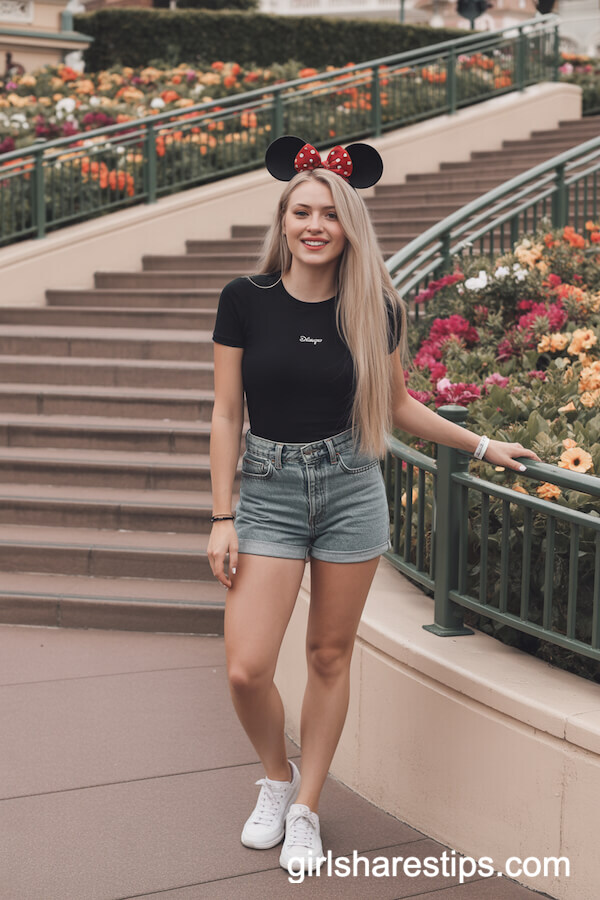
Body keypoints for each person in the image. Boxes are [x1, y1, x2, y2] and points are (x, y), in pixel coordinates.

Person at [208, 135, 541, 874]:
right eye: (302, 211)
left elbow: (396, 407)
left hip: (350, 488)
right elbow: (227, 414)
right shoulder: (244, 300)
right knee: (246, 668)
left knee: (329, 655)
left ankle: (306, 808)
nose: (315, 224)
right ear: (283, 220)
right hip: (264, 492)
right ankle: (274, 777)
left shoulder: (375, 307)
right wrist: (221, 515)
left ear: (349, 222)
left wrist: (484, 447)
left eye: (329, 212)